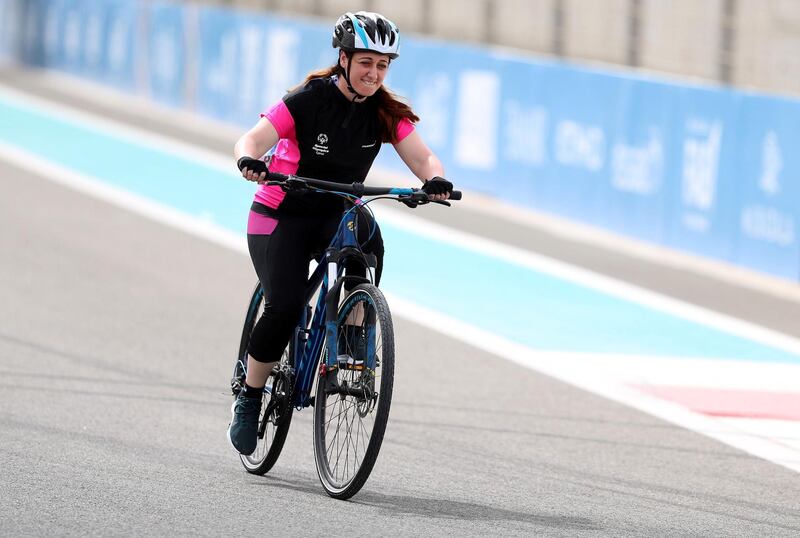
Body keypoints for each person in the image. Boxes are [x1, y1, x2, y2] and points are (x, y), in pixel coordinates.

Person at [228, 11, 454, 455]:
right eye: (366, 62)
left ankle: (352, 324)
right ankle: (250, 395)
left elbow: (424, 158)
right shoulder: (308, 99)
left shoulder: (386, 113)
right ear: (344, 59)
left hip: (335, 211)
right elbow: (251, 140)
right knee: (286, 304)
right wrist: (250, 162)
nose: (374, 73)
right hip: (281, 213)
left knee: (368, 237)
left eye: (383, 66)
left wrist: (435, 182)